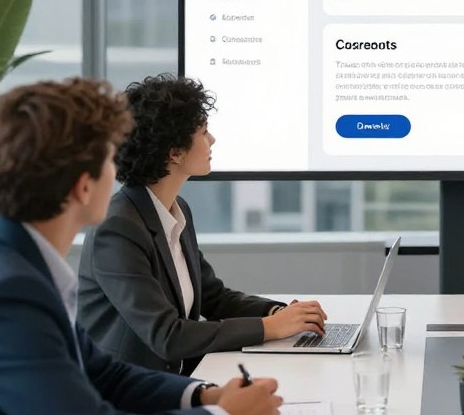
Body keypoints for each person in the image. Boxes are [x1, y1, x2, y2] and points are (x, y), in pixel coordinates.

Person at [0, 78, 282, 415]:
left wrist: (207, 397)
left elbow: (106, 376)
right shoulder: (6, 295)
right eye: (110, 159)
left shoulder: (13, 263)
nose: (120, 170)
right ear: (83, 187)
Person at [78, 74, 327, 374]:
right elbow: (167, 336)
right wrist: (268, 327)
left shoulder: (176, 209)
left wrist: (277, 312)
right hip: (126, 396)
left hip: (174, 381)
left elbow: (213, 297)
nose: (212, 140)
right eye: (204, 132)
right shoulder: (117, 228)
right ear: (174, 152)